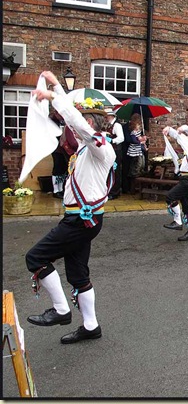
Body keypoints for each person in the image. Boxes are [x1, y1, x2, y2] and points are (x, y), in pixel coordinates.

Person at [25, 70, 116, 344]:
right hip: (81, 220)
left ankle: (62, 310)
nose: (71, 131)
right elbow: (77, 122)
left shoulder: (101, 146)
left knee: (36, 258)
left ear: (89, 123)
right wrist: (56, 84)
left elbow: (76, 122)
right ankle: (91, 326)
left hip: (80, 221)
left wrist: (52, 95)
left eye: (80, 126)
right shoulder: (87, 149)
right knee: (78, 274)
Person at [125, 113, 148, 193]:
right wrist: (141, 141)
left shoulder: (138, 132)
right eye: (138, 124)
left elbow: (139, 140)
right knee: (135, 168)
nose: (139, 126)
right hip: (134, 152)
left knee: (141, 166)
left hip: (139, 151)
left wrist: (143, 140)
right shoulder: (133, 132)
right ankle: (132, 188)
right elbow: (134, 141)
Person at [105, 110, 124, 200]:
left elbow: (121, 138)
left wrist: (112, 141)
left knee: (115, 171)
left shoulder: (117, 125)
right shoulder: (108, 125)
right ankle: (109, 190)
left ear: (110, 116)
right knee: (109, 171)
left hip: (116, 151)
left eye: (106, 116)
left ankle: (115, 191)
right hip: (109, 150)